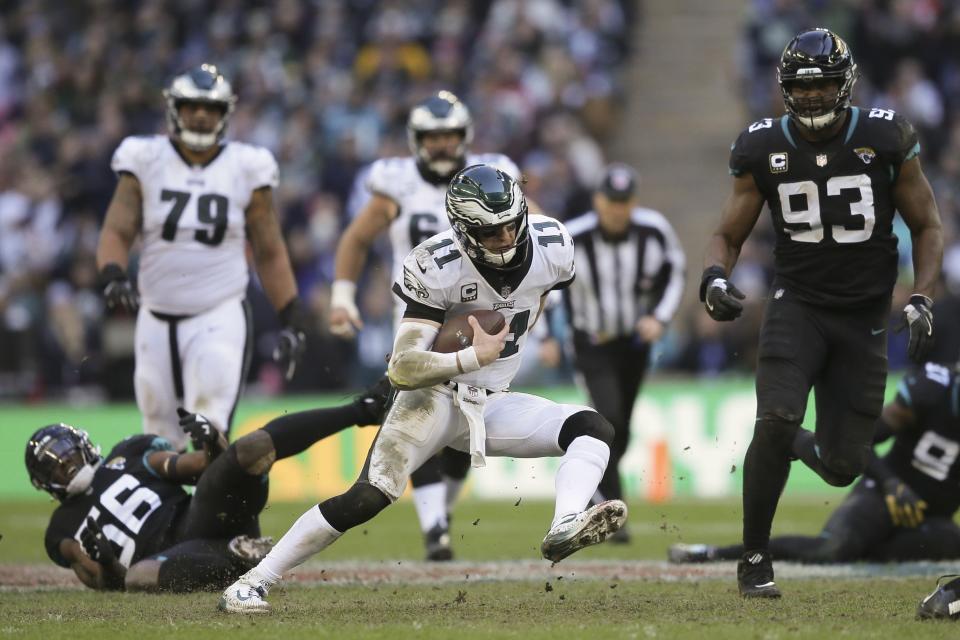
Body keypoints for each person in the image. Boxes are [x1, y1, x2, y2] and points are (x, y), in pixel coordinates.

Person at [219, 164, 628, 614]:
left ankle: (565, 522)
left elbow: (539, 293)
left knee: (592, 428)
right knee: (365, 498)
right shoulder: (439, 262)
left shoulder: (553, 246)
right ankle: (253, 582)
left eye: (513, 224)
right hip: (431, 398)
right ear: (465, 231)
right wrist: (471, 357)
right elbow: (403, 368)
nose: (508, 238)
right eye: (493, 232)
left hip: (492, 403)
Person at [700, 28, 943, 598]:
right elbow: (727, 233)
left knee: (842, 464)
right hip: (798, 304)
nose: (811, 97)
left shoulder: (885, 135)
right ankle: (755, 557)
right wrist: (714, 277)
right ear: (785, 90)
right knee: (778, 416)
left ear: (846, 84)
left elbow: (928, 225)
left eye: (824, 85)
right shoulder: (761, 145)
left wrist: (924, 296)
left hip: (864, 316)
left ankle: (779, 439)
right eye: (801, 88)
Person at [329, 91, 523, 560]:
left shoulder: (493, 177)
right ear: (417, 140)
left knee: (462, 429)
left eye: (450, 136)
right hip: (418, 319)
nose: (441, 145)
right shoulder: (395, 183)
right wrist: (342, 295)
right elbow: (356, 238)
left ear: (465, 137)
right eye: (433, 137)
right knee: (416, 410)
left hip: (478, 317)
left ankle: (443, 512)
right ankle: (435, 528)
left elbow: (528, 230)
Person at [95, 64, 307, 452]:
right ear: (174, 108)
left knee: (209, 427)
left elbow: (269, 249)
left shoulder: (246, 165)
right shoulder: (144, 157)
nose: (200, 115)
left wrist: (291, 316)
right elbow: (117, 228)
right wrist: (112, 271)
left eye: (209, 107)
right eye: (192, 106)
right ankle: (167, 514)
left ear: (225, 113)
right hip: (154, 315)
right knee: (157, 434)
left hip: (217, 313)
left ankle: (212, 514)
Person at [26, 383, 390, 592]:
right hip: (177, 560)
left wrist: (211, 440)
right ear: (46, 485)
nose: (67, 467)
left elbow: (202, 467)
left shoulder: (129, 454)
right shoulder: (61, 530)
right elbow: (109, 583)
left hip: (201, 517)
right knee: (139, 577)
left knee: (248, 448)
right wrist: (105, 558)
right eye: (56, 467)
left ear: (85, 447)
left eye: (67, 456)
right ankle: (241, 555)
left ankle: (365, 409)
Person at [669, 360, 960, 565]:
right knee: (832, 549)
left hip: (932, 519)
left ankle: (866, 548)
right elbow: (860, 442)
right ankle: (713, 553)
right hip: (884, 496)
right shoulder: (933, 391)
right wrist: (891, 483)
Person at [554, 163, 685, 541]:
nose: (617, 210)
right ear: (598, 201)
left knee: (622, 428)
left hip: (633, 343)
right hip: (590, 343)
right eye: (611, 202)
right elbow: (546, 284)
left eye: (624, 202)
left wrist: (659, 317)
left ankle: (594, 479)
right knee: (607, 415)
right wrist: (546, 334)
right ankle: (610, 505)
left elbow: (675, 271)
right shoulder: (574, 237)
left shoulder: (653, 230)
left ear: (633, 203)